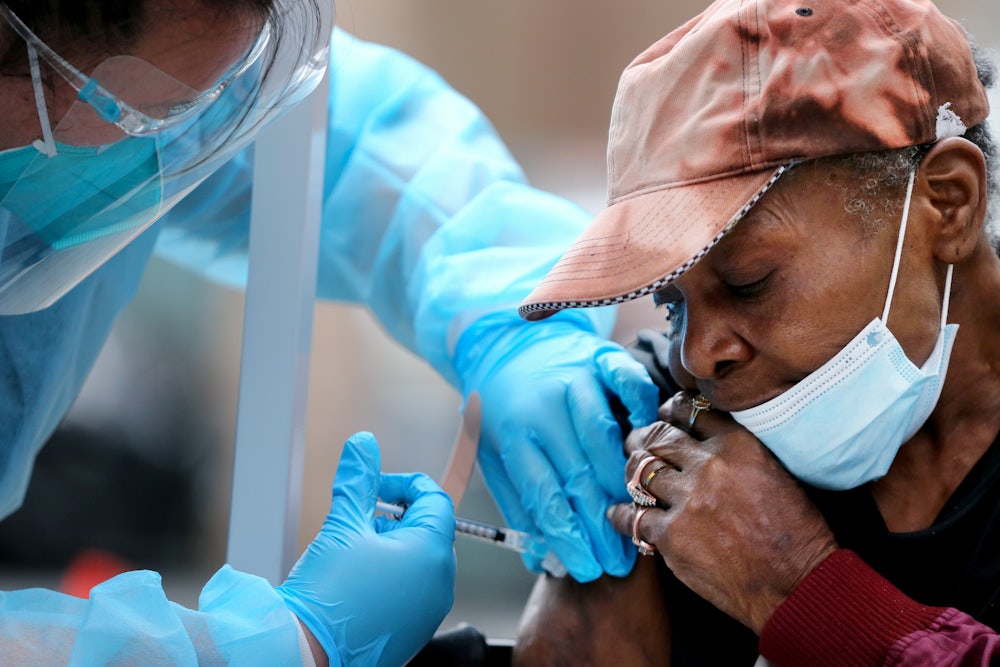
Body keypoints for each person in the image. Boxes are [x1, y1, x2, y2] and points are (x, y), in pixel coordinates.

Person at [0, 0, 659, 664]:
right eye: (157, 116)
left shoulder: (173, 59)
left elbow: (347, 146)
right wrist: (269, 649)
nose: (186, 134)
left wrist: (519, 324)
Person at [512, 0, 1000, 664]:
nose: (697, 355)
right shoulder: (669, 433)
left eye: (749, 282)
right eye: (672, 304)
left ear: (948, 203)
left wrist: (796, 587)